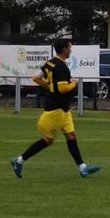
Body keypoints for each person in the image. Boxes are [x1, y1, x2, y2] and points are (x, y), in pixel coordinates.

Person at [11, 40, 99, 178]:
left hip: (63, 108)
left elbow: (36, 78)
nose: (71, 50)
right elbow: (63, 88)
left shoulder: (50, 63)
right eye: (70, 48)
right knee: (48, 140)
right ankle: (19, 160)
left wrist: (48, 86)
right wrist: (74, 83)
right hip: (56, 108)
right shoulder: (61, 67)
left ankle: (82, 168)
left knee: (71, 135)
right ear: (64, 49)